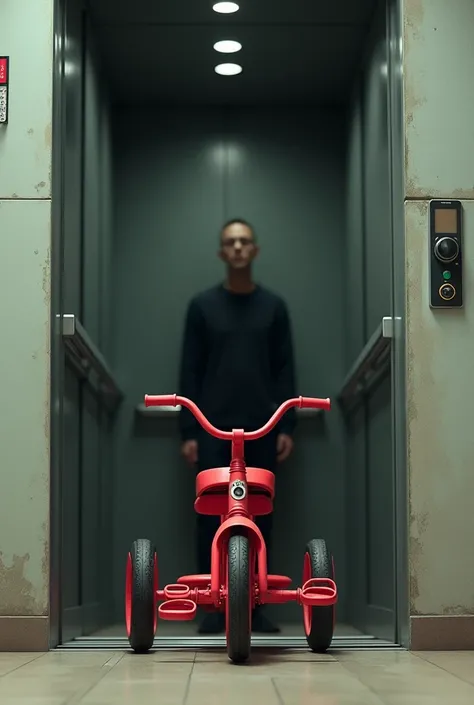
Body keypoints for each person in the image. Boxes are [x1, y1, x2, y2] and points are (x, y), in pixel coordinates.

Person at [178, 218, 297, 634]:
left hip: (263, 428)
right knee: (209, 516)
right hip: (212, 430)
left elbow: (285, 371)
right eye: (231, 242)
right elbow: (189, 372)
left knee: (259, 515)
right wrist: (189, 432)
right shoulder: (202, 307)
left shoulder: (274, 308)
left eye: (245, 241)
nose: (239, 247)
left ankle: (253, 608)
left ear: (255, 250)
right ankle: (214, 610)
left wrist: (287, 426)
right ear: (222, 253)